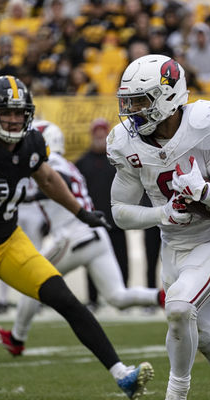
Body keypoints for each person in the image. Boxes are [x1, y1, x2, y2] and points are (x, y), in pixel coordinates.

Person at [0, 75, 153, 400]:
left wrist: (80, 213)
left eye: (19, 112)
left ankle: (122, 374)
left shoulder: (33, 143)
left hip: (9, 241)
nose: (13, 118)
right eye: (6, 111)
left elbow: (48, 179)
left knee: (66, 300)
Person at [108, 54, 210, 400]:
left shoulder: (204, 124)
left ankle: (176, 394)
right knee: (208, 336)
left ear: (167, 97)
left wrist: (207, 192)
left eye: (141, 101)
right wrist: (162, 214)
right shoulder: (126, 142)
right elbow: (119, 211)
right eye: (129, 102)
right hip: (173, 247)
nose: (132, 111)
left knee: (179, 307)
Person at [0, 119, 163, 355]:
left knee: (33, 280)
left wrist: (26, 198)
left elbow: (62, 184)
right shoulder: (67, 163)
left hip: (74, 234)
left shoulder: (52, 163)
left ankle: (17, 338)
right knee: (117, 297)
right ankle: (163, 297)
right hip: (95, 234)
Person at [75, 118, 129, 307]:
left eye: (102, 132)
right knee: (91, 262)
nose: (99, 136)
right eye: (96, 132)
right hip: (92, 222)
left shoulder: (117, 161)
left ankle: (125, 299)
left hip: (116, 220)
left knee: (122, 259)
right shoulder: (81, 163)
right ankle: (93, 299)